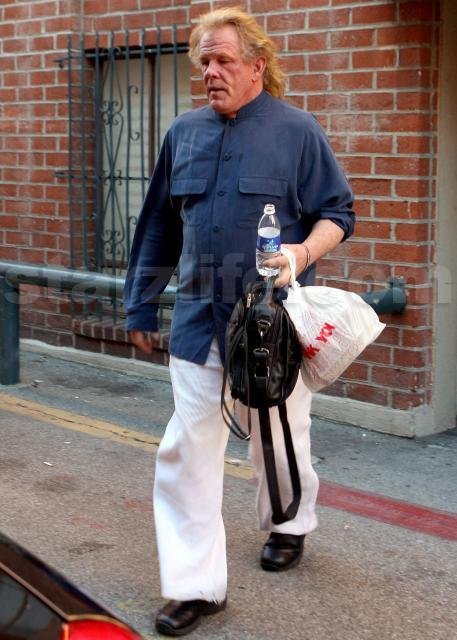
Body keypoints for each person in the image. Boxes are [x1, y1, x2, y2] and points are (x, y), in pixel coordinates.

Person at [124, 7, 355, 637]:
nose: (210, 71)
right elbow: (158, 225)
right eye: (204, 61)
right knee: (187, 450)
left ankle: (289, 522)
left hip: (272, 324)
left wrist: (302, 253)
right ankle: (195, 587)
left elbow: (338, 213)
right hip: (199, 321)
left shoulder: (297, 131)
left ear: (257, 65)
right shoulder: (183, 133)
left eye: (223, 59)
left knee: (278, 438)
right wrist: (141, 303)